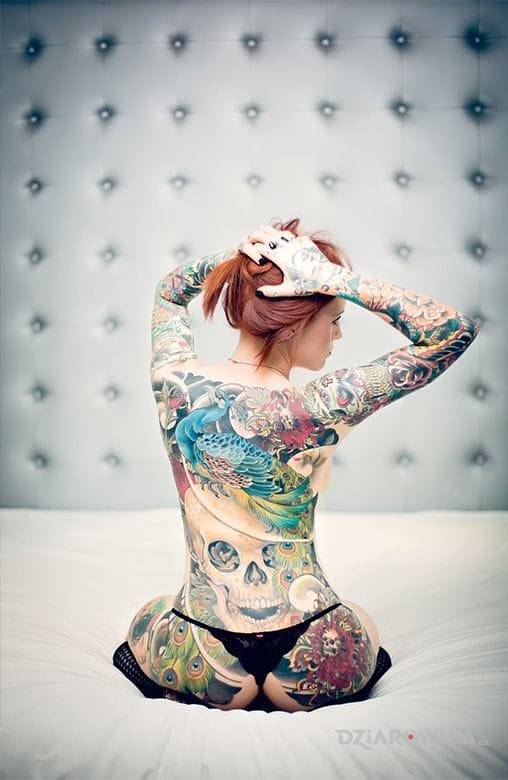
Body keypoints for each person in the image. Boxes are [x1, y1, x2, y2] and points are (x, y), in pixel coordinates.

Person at [113, 218, 480, 712]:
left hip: (203, 654)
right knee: (360, 618)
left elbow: (169, 292)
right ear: (293, 325)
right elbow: (451, 332)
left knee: (149, 615)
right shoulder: (323, 404)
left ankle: (217, 686)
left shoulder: (175, 383)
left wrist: (241, 260)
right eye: (333, 318)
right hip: (310, 654)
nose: (339, 334)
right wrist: (335, 279)